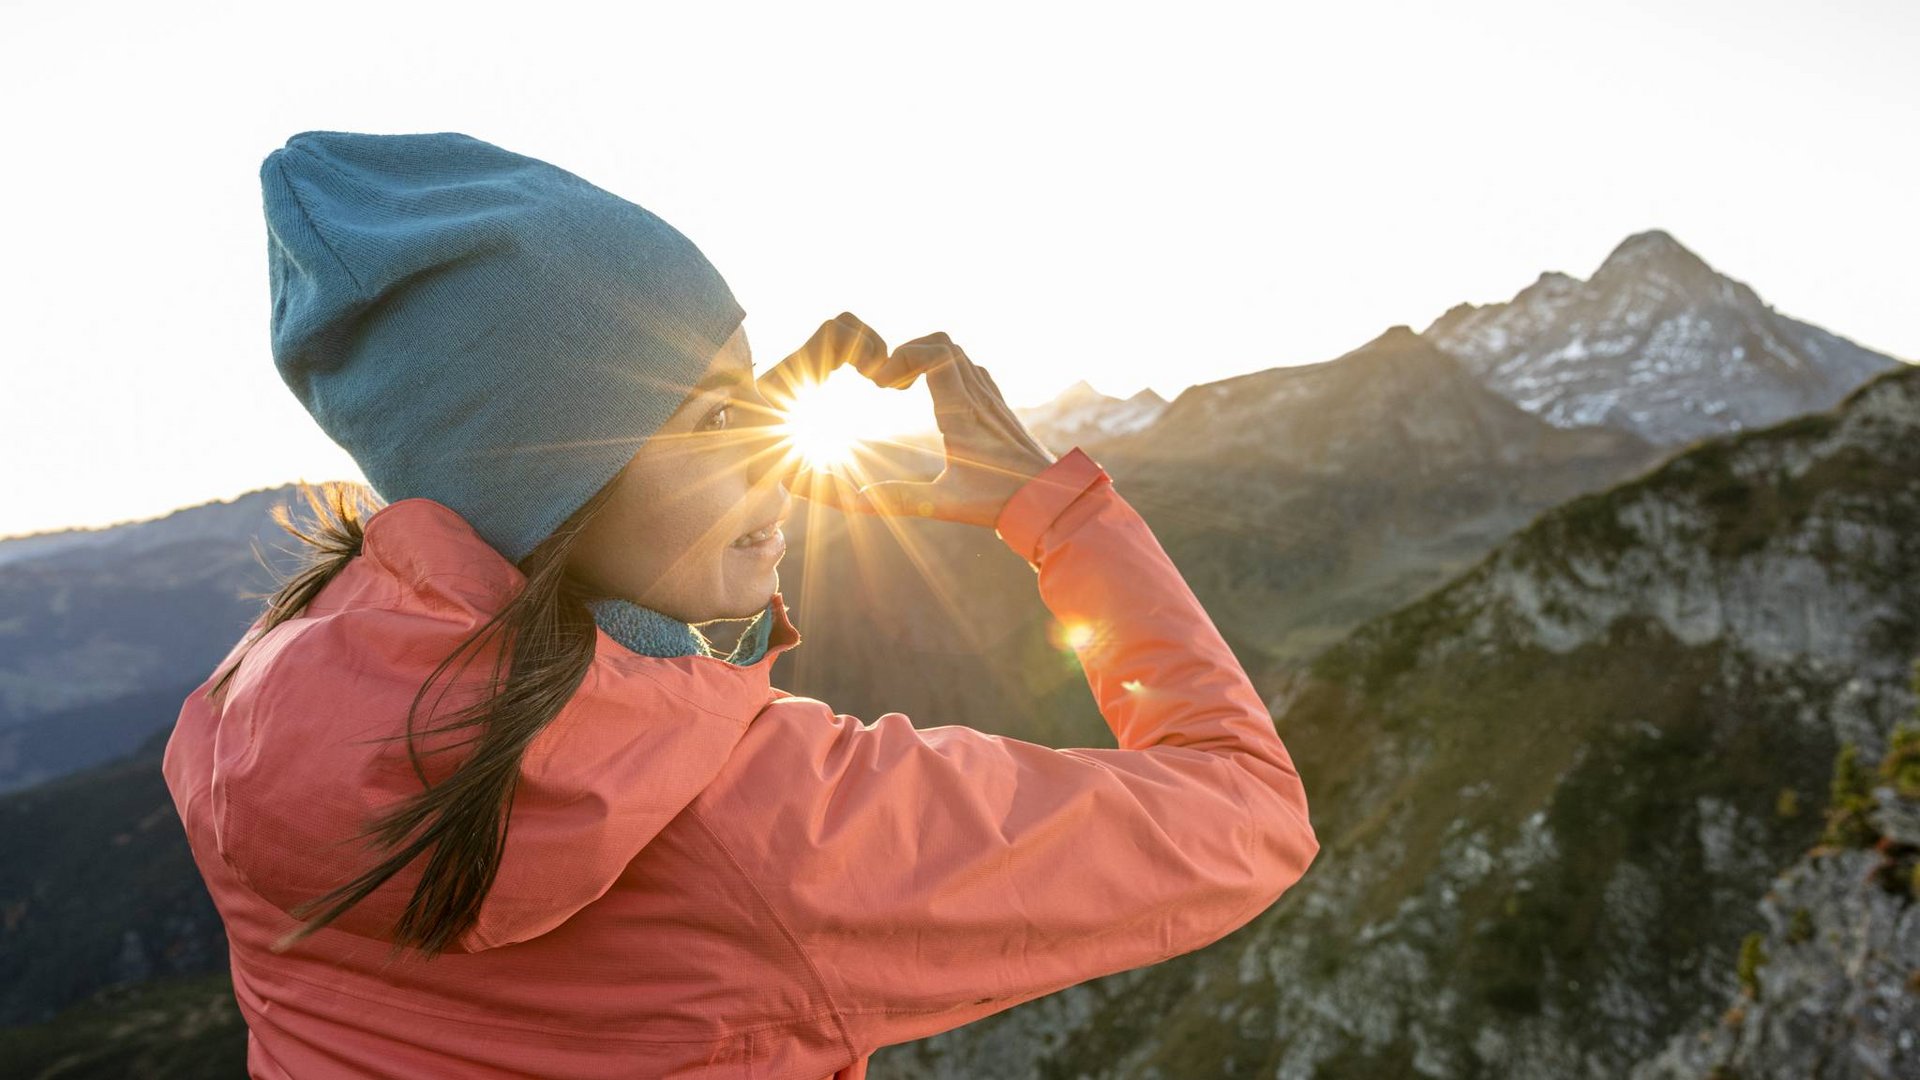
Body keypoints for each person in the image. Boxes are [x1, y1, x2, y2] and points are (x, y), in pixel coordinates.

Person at [162, 130, 1320, 1079]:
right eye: (718, 417)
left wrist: (713, 435)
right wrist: (1056, 518)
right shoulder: (775, 839)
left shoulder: (253, 705)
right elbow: (1250, 808)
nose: (773, 461)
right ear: (562, 485)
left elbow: (602, 587)